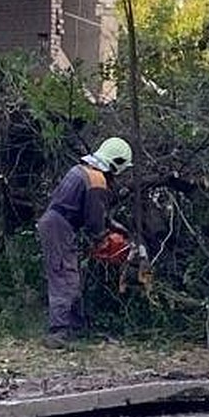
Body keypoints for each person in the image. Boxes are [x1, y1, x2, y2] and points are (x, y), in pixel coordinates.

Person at [36, 137, 133, 349]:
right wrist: (102, 238)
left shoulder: (83, 171)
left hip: (56, 223)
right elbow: (94, 219)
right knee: (64, 275)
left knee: (69, 273)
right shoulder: (97, 180)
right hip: (59, 226)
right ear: (116, 164)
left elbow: (95, 212)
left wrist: (115, 228)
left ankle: (75, 325)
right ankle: (59, 331)